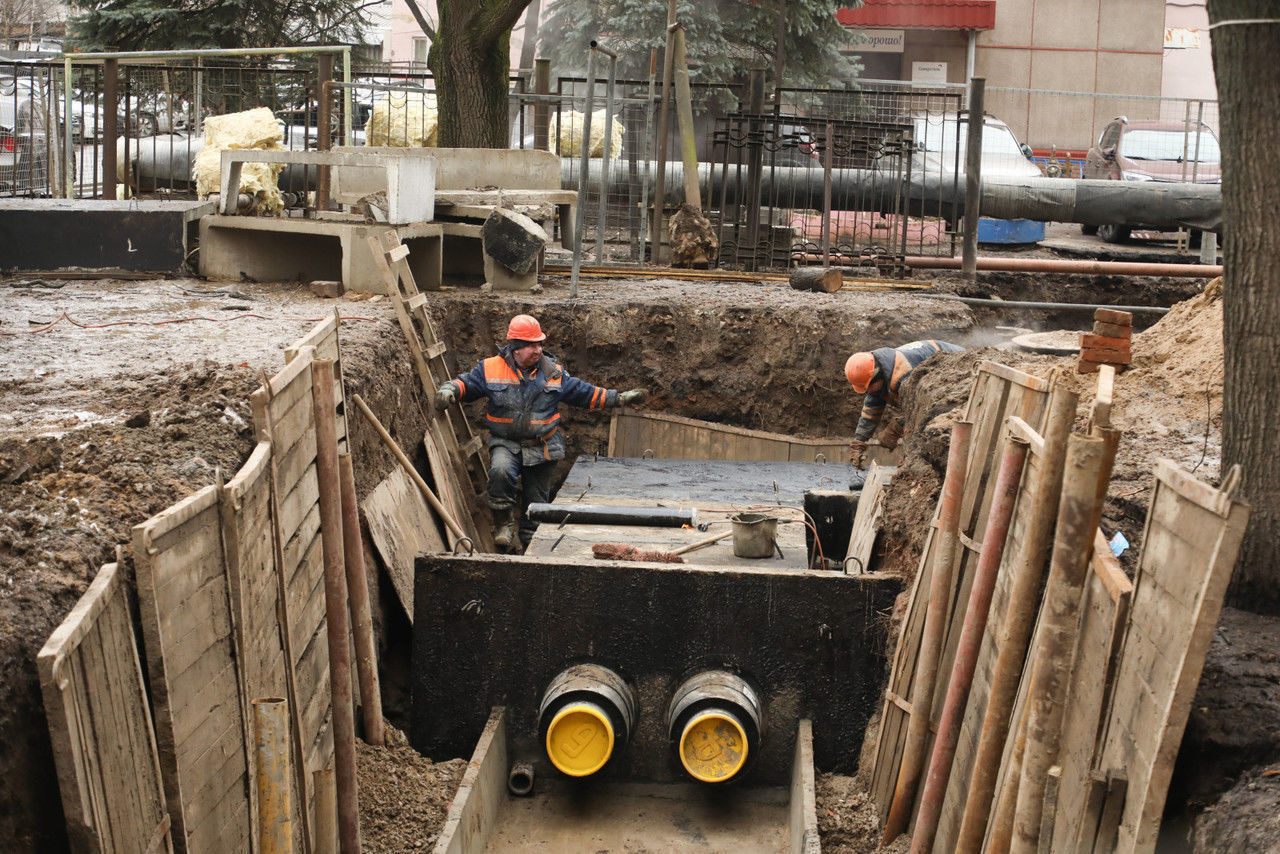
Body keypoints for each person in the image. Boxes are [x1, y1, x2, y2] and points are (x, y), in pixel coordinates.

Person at [435, 314, 649, 550]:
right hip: (506, 442)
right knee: (500, 472)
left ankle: (530, 541)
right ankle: (504, 525)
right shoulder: (491, 368)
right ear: (515, 347)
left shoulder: (553, 372)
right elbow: (467, 384)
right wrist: (450, 389)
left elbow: (584, 393)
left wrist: (617, 399)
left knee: (536, 500)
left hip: (542, 445)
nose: (537, 350)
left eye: (539, 344)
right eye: (531, 345)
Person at [844, 339, 964, 466]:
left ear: (876, 375)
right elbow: (871, 410)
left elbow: (922, 409)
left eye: (867, 387)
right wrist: (858, 442)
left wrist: (896, 427)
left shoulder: (903, 376)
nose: (867, 391)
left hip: (957, 369)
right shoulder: (877, 372)